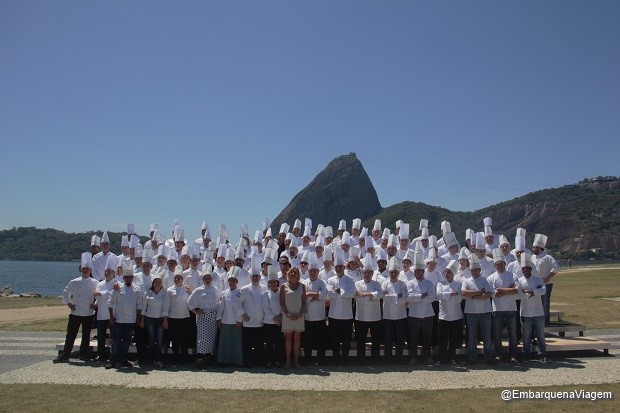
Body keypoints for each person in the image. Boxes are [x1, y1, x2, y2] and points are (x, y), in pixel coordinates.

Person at [54, 253, 99, 363]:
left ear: (90, 270)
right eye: (84, 268)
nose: (85, 270)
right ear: (80, 269)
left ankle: (84, 355)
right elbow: (66, 292)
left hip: (88, 313)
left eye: (87, 269)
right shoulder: (74, 281)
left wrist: (95, 303)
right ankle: (65, 355)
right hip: (75, 313)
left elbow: (98, 295)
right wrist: (69, 303)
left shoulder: (95, 282)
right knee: (70, 335)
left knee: (86, 336)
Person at [106, 270, 142, 369]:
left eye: (130, 277)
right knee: (116, 341)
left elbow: (139, 304)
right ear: (123, 278)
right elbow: (111, 303)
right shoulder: (117, 288)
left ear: (133, 278)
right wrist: (111, 316)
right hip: (118, 319)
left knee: (127, 341)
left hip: (130, 320)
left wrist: (138, 318)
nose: (128, 279)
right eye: (126, 277)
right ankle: (112, 360)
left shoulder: (137, 289)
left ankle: (124, 360)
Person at [488, 249, 519, 364]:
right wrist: (508, 290)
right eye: (497, 264)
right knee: (497, 334)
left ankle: (513, 355)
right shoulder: (491, 278)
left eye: (501, 264)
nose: (499, 266)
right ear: (495, 265)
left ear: (505, 264)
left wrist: (500, 290)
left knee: (513, 334)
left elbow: (516, 290)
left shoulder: (513, 275)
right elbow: (493, 294)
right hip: (497, 309)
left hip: (511, 308)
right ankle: (498, 354)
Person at [326, 248, 356, 365]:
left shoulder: (350, 280)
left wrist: (339, 292)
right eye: (337, 267)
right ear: (335, 268)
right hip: (333, 314)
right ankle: (336, 359)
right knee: (335, 339)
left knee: (346, 339)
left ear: (344, 267)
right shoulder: (330, 280)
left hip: (347, 315)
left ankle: (345, 359)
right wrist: (343, 294)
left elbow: (352, 293)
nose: (338, 268)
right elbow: (329, 293)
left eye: (340, 267)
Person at [517, 252, 548, 363]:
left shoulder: (537, 279)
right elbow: (517, 293)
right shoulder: (519, 281)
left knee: (540, 334)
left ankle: (542, 354)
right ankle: (527, 354)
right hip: (525, 312)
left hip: (538, 312)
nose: (525, 271)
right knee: (526, 335)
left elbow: (543, 290)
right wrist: (526, 293)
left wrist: (533, 291)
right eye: (523, 269)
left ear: (530, 269)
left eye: (527, 269)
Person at [461, 261, 494, 365]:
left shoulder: (485, 280)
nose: (474, 272)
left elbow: (488, 294)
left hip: (485, 311)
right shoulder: (466, 281)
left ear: (479, 270)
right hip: (471, 311)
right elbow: (464, 292)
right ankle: (472, 358)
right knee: (471, 336)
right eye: (472, 270)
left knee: (487, 336)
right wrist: (480, 292)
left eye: (476, 270)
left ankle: (489, 357)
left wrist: (473, 295)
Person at [187, 271, 221, 369]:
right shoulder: (198, 290)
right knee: (202, 338)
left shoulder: (216, 290)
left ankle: (208, 358)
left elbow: (219, 302)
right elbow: (189, 302)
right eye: (205, 278)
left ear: (212, 279)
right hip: (202, 317)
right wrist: (196, 311)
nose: (207, 280)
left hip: (213, 317)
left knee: (211, 338)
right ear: (202, 279)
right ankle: (200, 359)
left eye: (209, 278)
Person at [406, 253, 436, 366]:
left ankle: (427, 357)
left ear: (423, 272)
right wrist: (422, 296)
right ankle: (413, 358)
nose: (417, 273)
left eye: (419, 271)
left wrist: (417, 297)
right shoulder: (410, 283)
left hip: (428, 314)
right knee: (413, 337)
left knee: (427, 337)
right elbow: (409, 297)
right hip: (413, 313)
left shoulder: (429, 283)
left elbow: (432, 297)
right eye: (415, 271)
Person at [354, 256, 384, 360]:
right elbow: (357, 297)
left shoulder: (377, 284)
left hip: (375, 316)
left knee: (376, 339)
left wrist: (366, 294)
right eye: (364, 273)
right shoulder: (357, 284)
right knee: (361, 339)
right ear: (362, 274)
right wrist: (371, 296)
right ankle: (360, 359)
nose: (366, 274)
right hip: (361, 316)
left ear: (372, 274)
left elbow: (380, 295)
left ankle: (375, 359)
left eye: (368, 273)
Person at [435, 260, 463, 366]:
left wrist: (447, 296)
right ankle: (441, 359)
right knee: (442, 339)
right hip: (444, 315)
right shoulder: (440, 284)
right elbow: (438, 295)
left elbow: (459, 298)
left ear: (453, 274)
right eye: (445, 272)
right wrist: (451, 294)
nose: (447, 274)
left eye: (449, 272)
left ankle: (452, 358)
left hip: (456, 316)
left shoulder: (458, 284)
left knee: (453, 338)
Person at [301, 257, 328, 365]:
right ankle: (308, 359)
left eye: (314, 271)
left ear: (318, 272)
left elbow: (323, 295)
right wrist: (315, 295)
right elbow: (302, 297)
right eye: (311, 271)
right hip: (307, 317)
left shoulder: (322, 282)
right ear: (308, 272)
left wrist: (309, 294)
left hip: (320, 317)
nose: (312, 272)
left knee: (320, 340)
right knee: (307, 340)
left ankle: (321, 359)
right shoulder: (304, 283)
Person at [163, 268, 192, 365]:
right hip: (173, 318)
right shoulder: (169, 290)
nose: (177, 279)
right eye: (176, 278)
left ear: (182, 279)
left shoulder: (186, 289)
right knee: (174, 339)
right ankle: (175, 358)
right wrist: (165, 319)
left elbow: (191, 302)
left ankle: (185, 359)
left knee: (184, 339)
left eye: (179, 278)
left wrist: (190, 292)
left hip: (185, 317)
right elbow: (166, 305)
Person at [92, 256, 118, 362]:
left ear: (113, 273)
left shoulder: (117, 283)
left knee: (114, 336)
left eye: (109, 271)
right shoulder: (100, 283)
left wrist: (101, 295)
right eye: (106, 271)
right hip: (101, 312)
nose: (107, 273)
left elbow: (113, 296)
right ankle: (100, 354)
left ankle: (114, 355)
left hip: (112, 312)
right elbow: (96, 295)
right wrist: (98, 300)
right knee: (101, 335)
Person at [280, 266, 307, 369]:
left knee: (297, 339)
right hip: (287, 316)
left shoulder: (302, 286)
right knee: (288, 339)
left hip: (299, 317)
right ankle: (287, 361)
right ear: (288, 274)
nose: (293, 274)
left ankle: (296, 361)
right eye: (291, 272)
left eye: (295, 272)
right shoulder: (283, 286)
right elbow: (281, 302)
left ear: (298, 275)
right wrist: (287, 314)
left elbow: (304, 302)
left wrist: (300, 314)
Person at [382, 257, 408, 362]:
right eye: (391, 272)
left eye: (395, 272)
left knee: (400, 338)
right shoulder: (384, 283)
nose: (393, 274)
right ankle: (388, 358)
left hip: (401, 315)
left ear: (398, 273)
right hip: (387, 315)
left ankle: (399, 358)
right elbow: (383, 297)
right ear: (389, 273)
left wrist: (391, 297)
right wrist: (397, 296)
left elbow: (405, 298)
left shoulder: (403, 284)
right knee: (388, 338)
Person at [216, 267, 244, 367]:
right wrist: (218, 319)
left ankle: (236, 361)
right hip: (225, 320)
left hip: (236, 321)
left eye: (233, 280)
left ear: (237, 282)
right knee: (225, 342)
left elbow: (241, 308)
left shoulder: (240, 293)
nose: (231, 282)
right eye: (230, 280)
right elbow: (221, 306)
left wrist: (239, 320)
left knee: (235, 342)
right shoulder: (224, 293)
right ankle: (224, 360)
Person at [532, 234, 559, 326]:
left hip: (546, 284)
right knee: (535, 303)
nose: (532, 249)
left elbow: (556, 268)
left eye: (534, 248)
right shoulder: (532, 257)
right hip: (535, 284)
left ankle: (545, 322)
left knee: (545, 303)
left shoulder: (547, 257)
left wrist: (548, 278)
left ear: (539, 248)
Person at [141, 277, 166, 368]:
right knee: (151, 340)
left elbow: (165, 307)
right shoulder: (147, 293)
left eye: (159, 282)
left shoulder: (164, 293)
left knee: (159, 341)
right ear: (153, 283)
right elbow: (144, 307)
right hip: (149, 318)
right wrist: (142, 319)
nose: (157, 283)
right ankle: (152, 359)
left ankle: (158, 360)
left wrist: (165, 320)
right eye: (156, 282)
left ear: (162, 284)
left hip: (160, 319)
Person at [262, 267, 284, 368]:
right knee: (269, 343)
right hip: (269, 322)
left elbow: (284, 305)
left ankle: (279, 360)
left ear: (277, 282)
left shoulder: (282, 293)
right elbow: (265, 307)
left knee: (279, 342)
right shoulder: (266, 294)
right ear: (268, 283)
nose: (273, 284)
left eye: (274, 282)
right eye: (270, 282)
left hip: (280, 321)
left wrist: (280, 316)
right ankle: (268, 361)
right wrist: (274, 318)